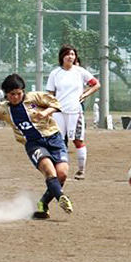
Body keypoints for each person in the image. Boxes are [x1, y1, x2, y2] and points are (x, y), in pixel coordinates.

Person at [0, 74, 73, 219]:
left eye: (19, 93)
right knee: (49, 170)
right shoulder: (3, 109)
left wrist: (44, 113)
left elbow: (55, 104)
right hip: (33, 144)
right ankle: (61, 198)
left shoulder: (34, 97)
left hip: (54, 138)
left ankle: (43, 203)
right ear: (6, 94)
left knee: (62, 173)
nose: (16, 97)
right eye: (12, 94)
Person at [46, 45, 101, 180]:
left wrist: (85, 94)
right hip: (58, 112)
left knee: (78, 140)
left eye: (72, 54)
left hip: (75, 112)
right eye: (67, 54)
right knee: (59, 141)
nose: (70, 57)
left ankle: (81, 170)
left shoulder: (80, 72)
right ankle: (59, 170)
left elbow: (96, 84)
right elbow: (50, 94)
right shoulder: (55, 73)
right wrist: (48, 109)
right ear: (62, 57)